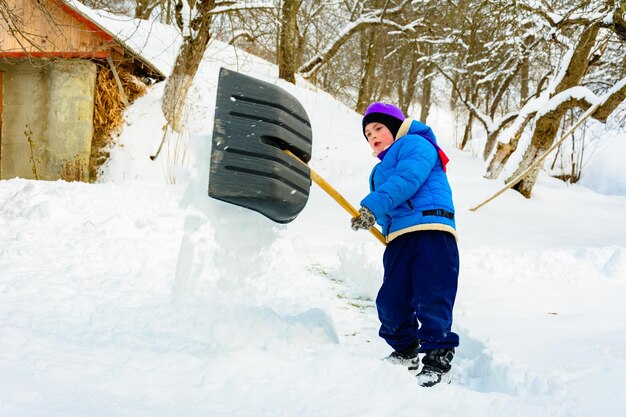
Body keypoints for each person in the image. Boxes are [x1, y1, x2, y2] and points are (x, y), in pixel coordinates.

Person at [351, 102, 460, 387]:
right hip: (399, 238)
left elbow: (407, 180)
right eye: (367, 133)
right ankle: (406, 350)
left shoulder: (417, 144)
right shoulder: (378, 171)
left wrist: (372, 206)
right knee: (391, 299)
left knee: (431, 296)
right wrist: (372, 218)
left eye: (378, 128)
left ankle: (437, 360)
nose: (372, 135)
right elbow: (392, 200)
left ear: (396, 127)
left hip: (431, 229)